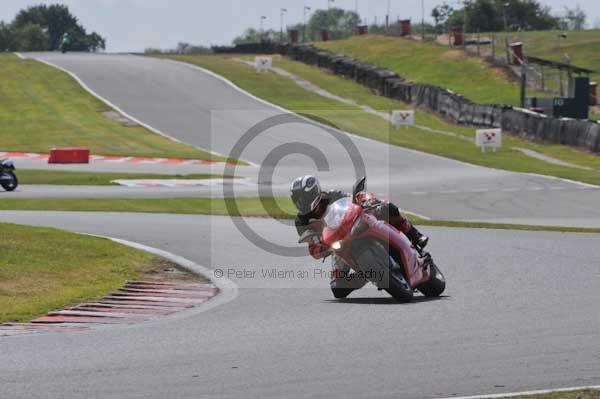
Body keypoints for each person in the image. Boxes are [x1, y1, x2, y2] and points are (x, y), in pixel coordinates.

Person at [291, 175, 428, 298]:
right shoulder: (301, 222)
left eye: (303, 199)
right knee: (338, 289)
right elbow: (310, 242)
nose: (300, 204)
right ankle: (368, 274)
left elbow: (353, 199)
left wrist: (366, 200)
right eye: (297, 200)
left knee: (387, 208)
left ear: (314, 192)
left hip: (356, 224)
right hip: (338, 243)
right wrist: (318, 248)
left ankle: (415, 235)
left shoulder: (332, 195)